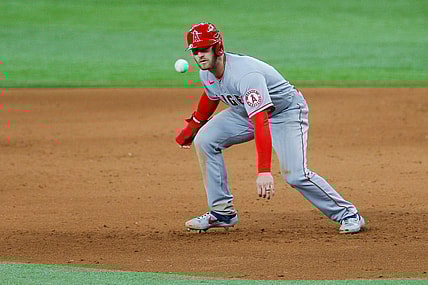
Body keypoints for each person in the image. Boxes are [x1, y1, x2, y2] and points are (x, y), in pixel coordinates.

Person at [175, 22, 365, 234]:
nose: (199, 55)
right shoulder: (206, 71)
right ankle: (222, 213)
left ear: (217, 48)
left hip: (285, 112)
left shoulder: (246, 75)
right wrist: (194, 125)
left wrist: (264, 170)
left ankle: (348, 214)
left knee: (295, 175)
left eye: (203, 49)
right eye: (195, 51)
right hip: (244, 112)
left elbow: (261, 121)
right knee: (205, 139)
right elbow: (211, 95)